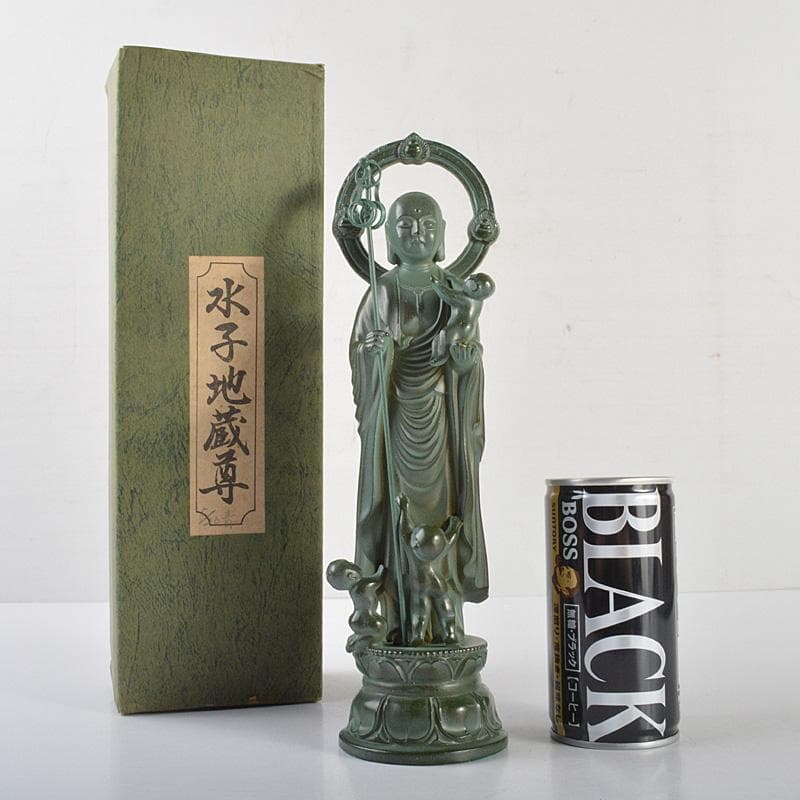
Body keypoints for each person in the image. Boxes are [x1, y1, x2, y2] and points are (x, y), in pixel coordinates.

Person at [349, 190, 489, 644]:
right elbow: (361, 353)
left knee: (443, 514)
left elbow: (468, 352)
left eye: (428, 226)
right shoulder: (382, 289)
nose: (417, 234)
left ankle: (446, 620)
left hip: (442, 422)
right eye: (405, 227)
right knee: (397, 513)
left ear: (443, 234)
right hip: (395, 417)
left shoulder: (455, 290)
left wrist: (465, 364)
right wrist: (376, 354)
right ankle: (397, 620)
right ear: (389, 237)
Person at [430, 271, 495, 364]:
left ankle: (442, 355)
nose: (470, 276)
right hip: (470, 330)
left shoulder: (465, 299)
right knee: (438, 339)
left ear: (473, 287)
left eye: (471, 279)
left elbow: (447, 294)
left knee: (444, 334)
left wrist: (435, 283)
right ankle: (438, 355)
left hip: (459, 328)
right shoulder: (478, 301)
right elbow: (460, 285)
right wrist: (452, 278)